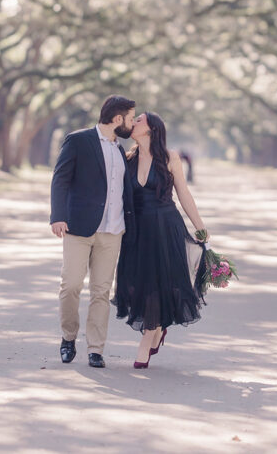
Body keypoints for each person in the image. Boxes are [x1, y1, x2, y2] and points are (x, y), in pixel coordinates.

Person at [114, 112, 210, 369]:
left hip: (166, 226)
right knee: (135, 284)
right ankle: (156, 329)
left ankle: (148, 337)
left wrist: (200, 227)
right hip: (137, 230)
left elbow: (184, 194)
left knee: (158, 283)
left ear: (151, 129)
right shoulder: (127, 158)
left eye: (138, 120)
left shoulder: (170, 158)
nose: (132, 123)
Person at [49, 95, 136, 369]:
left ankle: (95, 349)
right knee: (71, 285)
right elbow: (60, 178)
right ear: (118, 119)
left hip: (112, 231)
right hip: (78, 227)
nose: (132, 124)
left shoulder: (121, 150)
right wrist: (58, 216)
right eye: (131, 118)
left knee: (101, 292)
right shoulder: (78, 140)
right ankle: (68, 337)